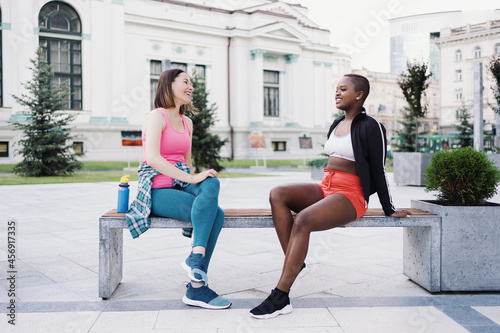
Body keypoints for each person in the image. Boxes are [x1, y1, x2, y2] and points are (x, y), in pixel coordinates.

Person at [249, 73, 411, 319]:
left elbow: (378, 168)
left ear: (359, 95)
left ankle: (281, 296)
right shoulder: (336, 124)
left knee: (303, 219)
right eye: (336, 89)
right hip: (327, 186)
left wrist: (389, 207)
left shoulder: (371, 126)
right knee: (278, 194)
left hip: (351, 194)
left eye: (343, 89)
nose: (337, 93)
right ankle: (296, 262)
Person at [128, 68, 231, 310]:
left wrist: (195, 179)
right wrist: (192, 179)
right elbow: (153, 158)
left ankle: (195, 261)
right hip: (158, 191)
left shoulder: (187, 122)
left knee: (213, 182)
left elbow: (187, 161)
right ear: (169, 85)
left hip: (182, 184)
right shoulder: (157, 116)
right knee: (217, 214)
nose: (190, 87)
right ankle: (197, 288)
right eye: (185, 81)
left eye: (191, 83)